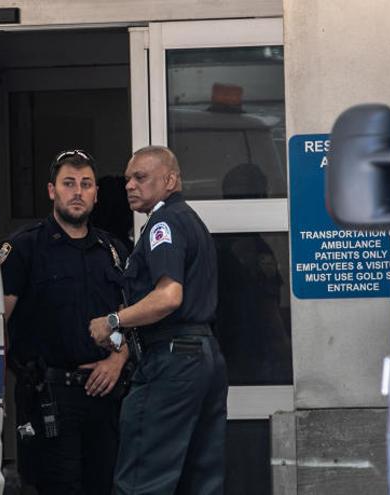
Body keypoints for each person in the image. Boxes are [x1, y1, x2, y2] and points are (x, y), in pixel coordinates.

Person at [89, 145, 227, 495]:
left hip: (172, 359)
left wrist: (113, 320)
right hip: (203, 356)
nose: (130, 186)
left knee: (142, 478)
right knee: (200, 479)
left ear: (170, 180)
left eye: (141, 177)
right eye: (127, 179)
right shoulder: (191, 220)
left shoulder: (163, 224)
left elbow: (169, 295)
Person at [0, 149, 129, 495]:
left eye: (86, 184)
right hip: (48, 395)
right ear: (51, 191)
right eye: (68, 183)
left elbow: (130, 319)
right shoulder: (24, 248)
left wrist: (118, 360)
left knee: (104, 486)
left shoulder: (112, 250)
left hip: (103, 395)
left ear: (96, 194)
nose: (78, 192)